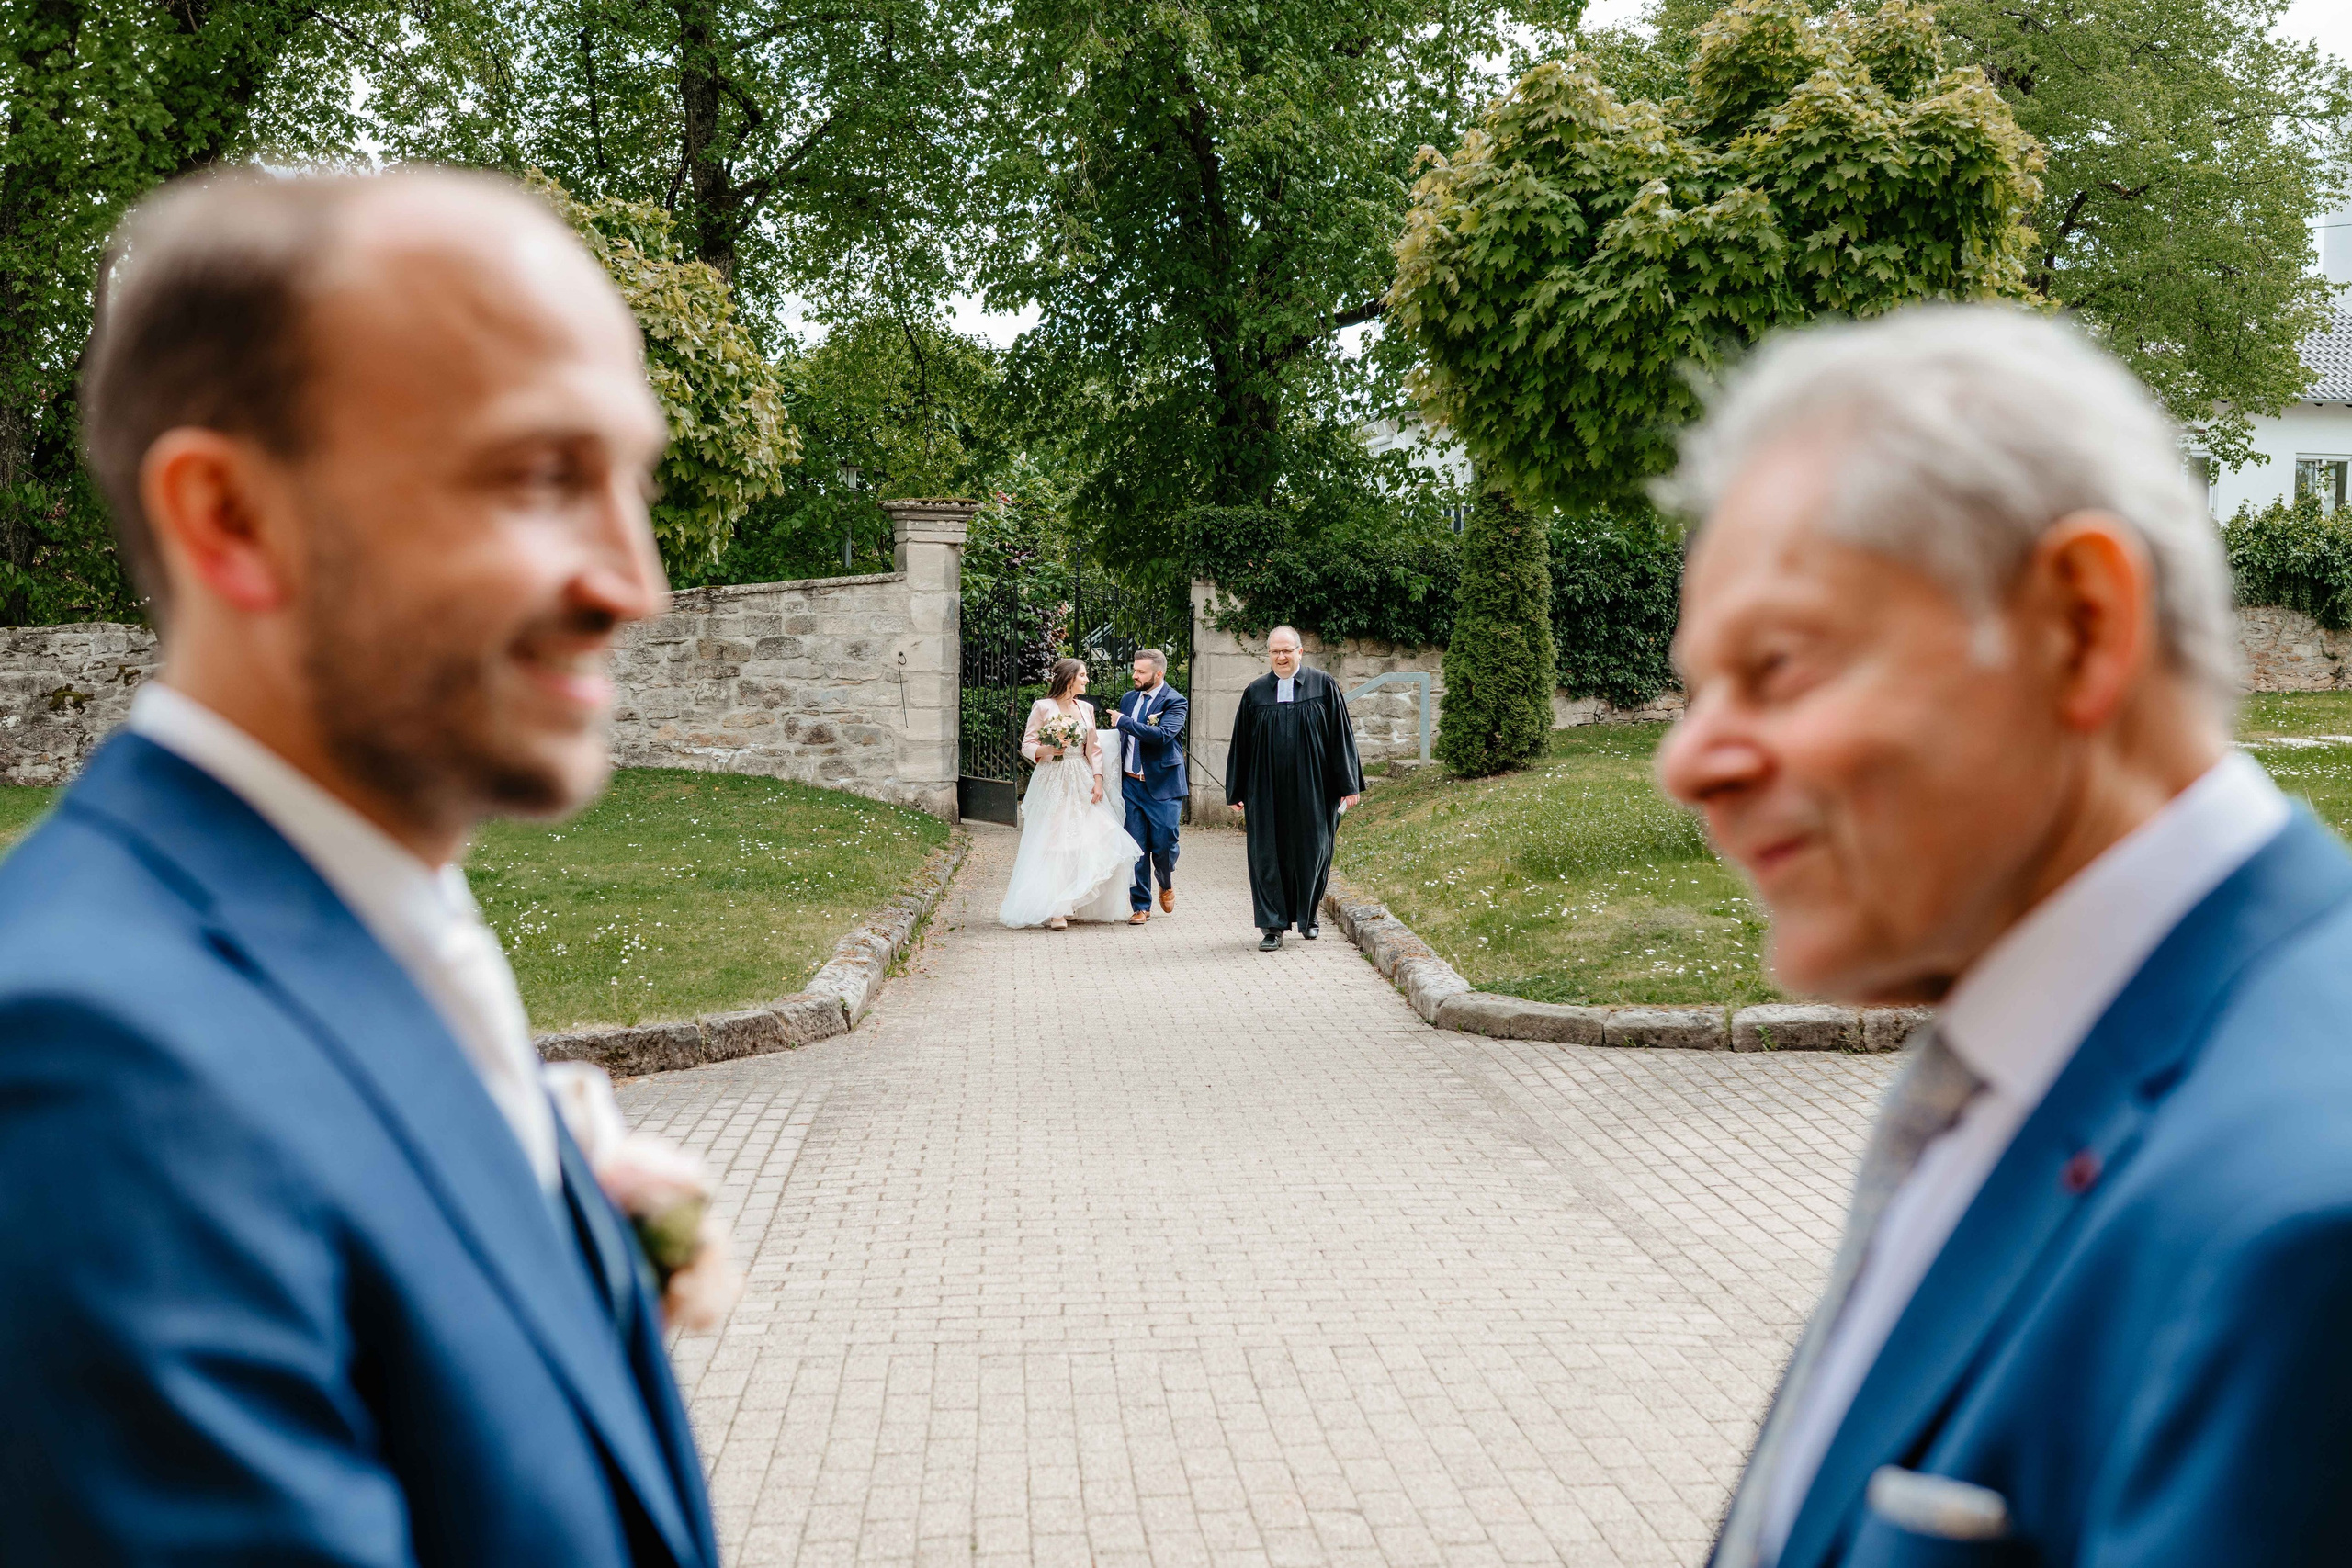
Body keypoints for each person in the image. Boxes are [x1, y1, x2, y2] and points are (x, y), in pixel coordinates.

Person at [0, 168, 718, 1567]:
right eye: (540, 474)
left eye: (634, 476)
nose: (636, 580)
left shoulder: (370, 920)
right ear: (232, 519)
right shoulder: (93, 1070)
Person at [1659, 304, 2352, 1568]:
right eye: (1697, 686)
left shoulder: (2305, 1225)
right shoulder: (2025, 1063)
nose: (1687, 759)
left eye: (1778, 662)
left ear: (2080, 624)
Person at [1224, 625, 1363, 950]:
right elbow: (1240, 744)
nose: (1281, 656)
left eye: (1287, 650)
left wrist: (1349, 783)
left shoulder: (1323, 685)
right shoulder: (1255, 692)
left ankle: (1308, 914)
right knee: (1267, 855)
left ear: (1300, 651)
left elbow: (1340, 737)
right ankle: (1273, 926)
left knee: (1313, 849)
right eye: (1275, 651)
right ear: (1269, 654)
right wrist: (1236, 790)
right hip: (1265, 786)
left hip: (1314, 785)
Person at [998, 657, 1141, 931]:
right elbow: (1028, 743)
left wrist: (1098, 780)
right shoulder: (1043, 707)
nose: (1087, 680)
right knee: (1056, 841)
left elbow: (1095, 748)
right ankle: (1056, 910)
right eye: (1083, 675)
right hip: (1053, 778)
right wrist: (1046, 750)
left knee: (1097, 834)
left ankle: (1073, 898)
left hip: (1082, 777)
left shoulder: (1086, 708)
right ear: (1069, 678)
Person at [1111, 647, 1189, 925]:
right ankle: (1141, 906)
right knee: (1136, 848)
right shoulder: (1129, 698)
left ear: (1158, 674)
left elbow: (1163, 735)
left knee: (1165, 845)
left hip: (1164, 785)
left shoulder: (1175, 701)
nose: (1135, 675)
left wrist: (1126, 722)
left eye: (1140, 671)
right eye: (1134, 669)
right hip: (1131, 785)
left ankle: (1166, 882)